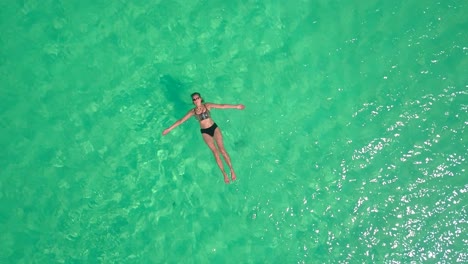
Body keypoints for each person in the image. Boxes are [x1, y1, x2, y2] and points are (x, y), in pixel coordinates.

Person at [162, 92, 245, 184]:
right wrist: (169, 129)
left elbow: (222, 106)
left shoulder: (207, 105)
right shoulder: (192, 112)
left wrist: (236, 106)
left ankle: (231, 170)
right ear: (193, 102)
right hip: (205, 132)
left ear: (200, 98)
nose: (196, 100)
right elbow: (181, 120)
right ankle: (224, 174)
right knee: (215, 152)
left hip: (214, 128)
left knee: (222, 150)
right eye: (194, 99)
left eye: (197, 98)